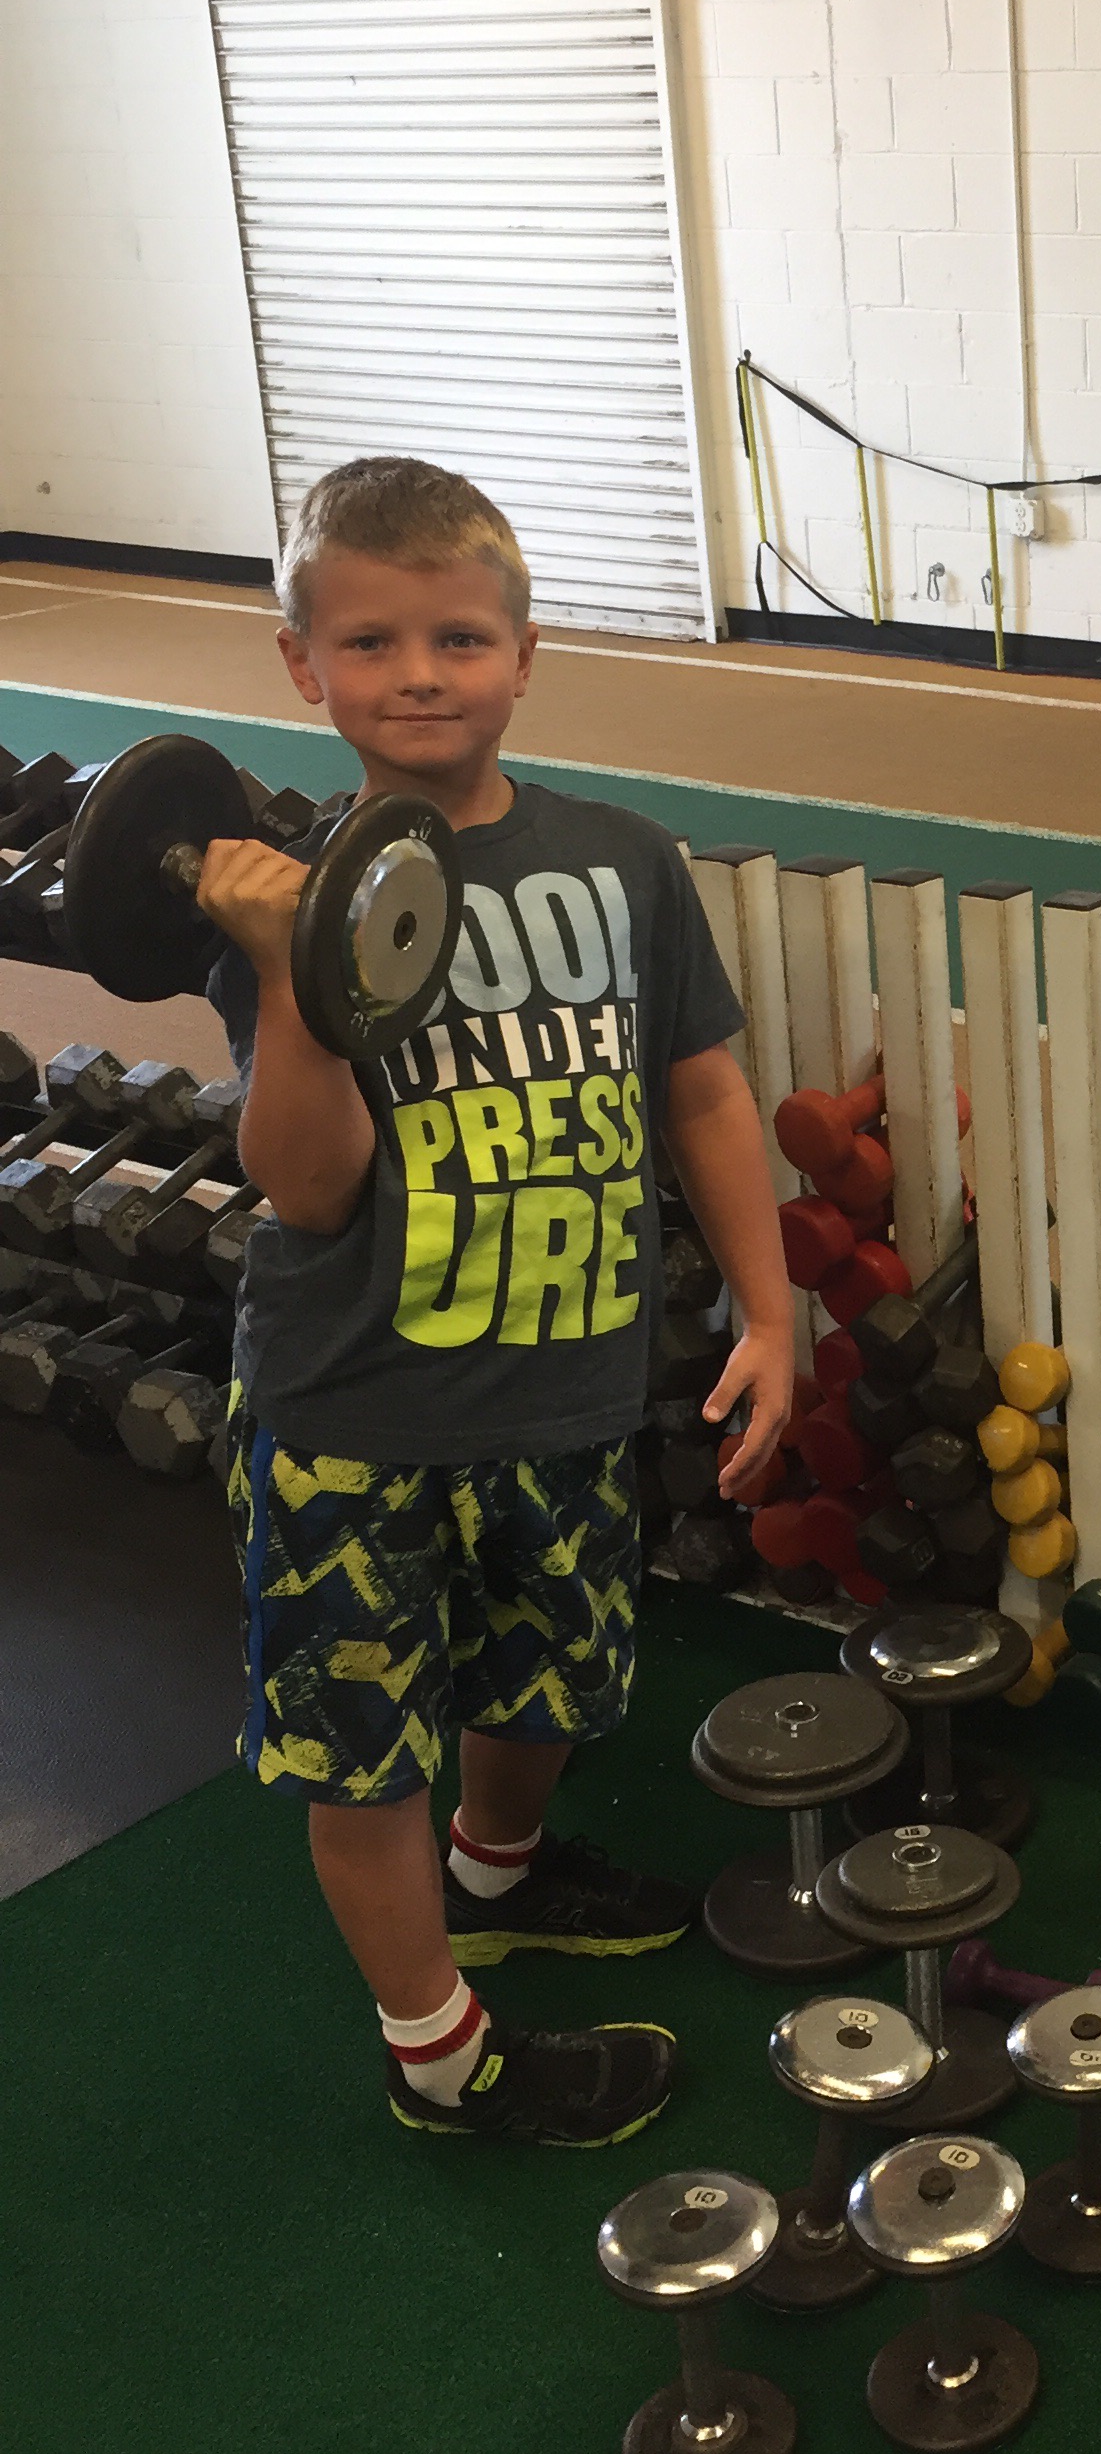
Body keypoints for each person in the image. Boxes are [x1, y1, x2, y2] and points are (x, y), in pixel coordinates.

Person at [202, 457, 792, 2148]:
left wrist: (771, 1315)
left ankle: (500, 1870)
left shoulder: (623, 863)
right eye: (370, 641)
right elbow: (308, 1183)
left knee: (550, 1681)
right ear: (302, 663)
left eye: (459, 637)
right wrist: (288, 974)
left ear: (524, 654)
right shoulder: (284, 897)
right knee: (362, 1750)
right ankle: (440, 2054)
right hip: (354, 1408)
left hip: (563, 1389)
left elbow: (702, 1094)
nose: (419, 674)